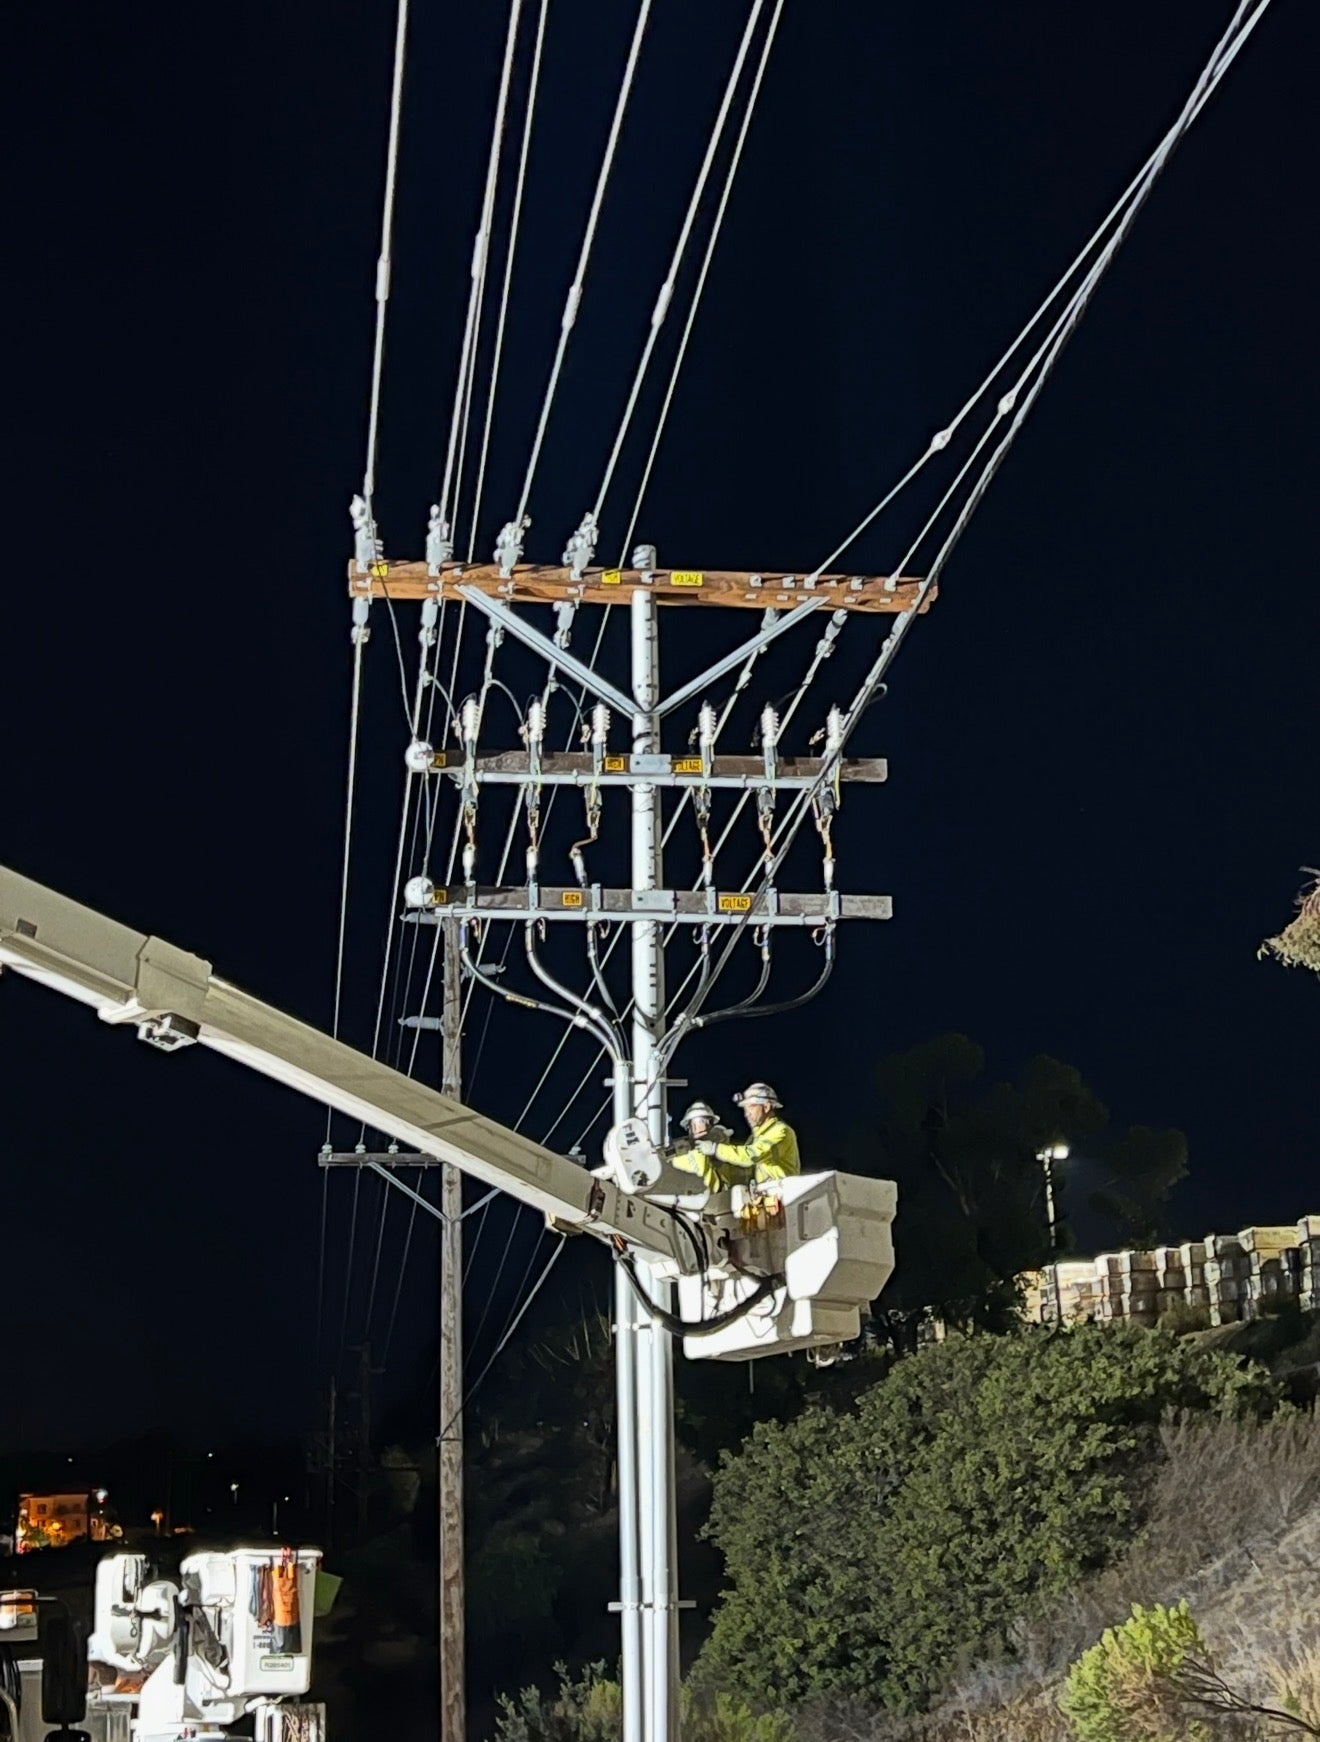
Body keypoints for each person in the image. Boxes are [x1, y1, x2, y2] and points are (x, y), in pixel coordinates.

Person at [673, 1082, 799, 1191]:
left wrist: (716, 1149)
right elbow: (741, 1169)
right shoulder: (757, 1137)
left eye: (751, 1107)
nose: (747, 1114)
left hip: (782, 1194)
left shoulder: (780, 1131)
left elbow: (751, 1156)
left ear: (766, 1107)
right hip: (767, 1195)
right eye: (745, 1109)